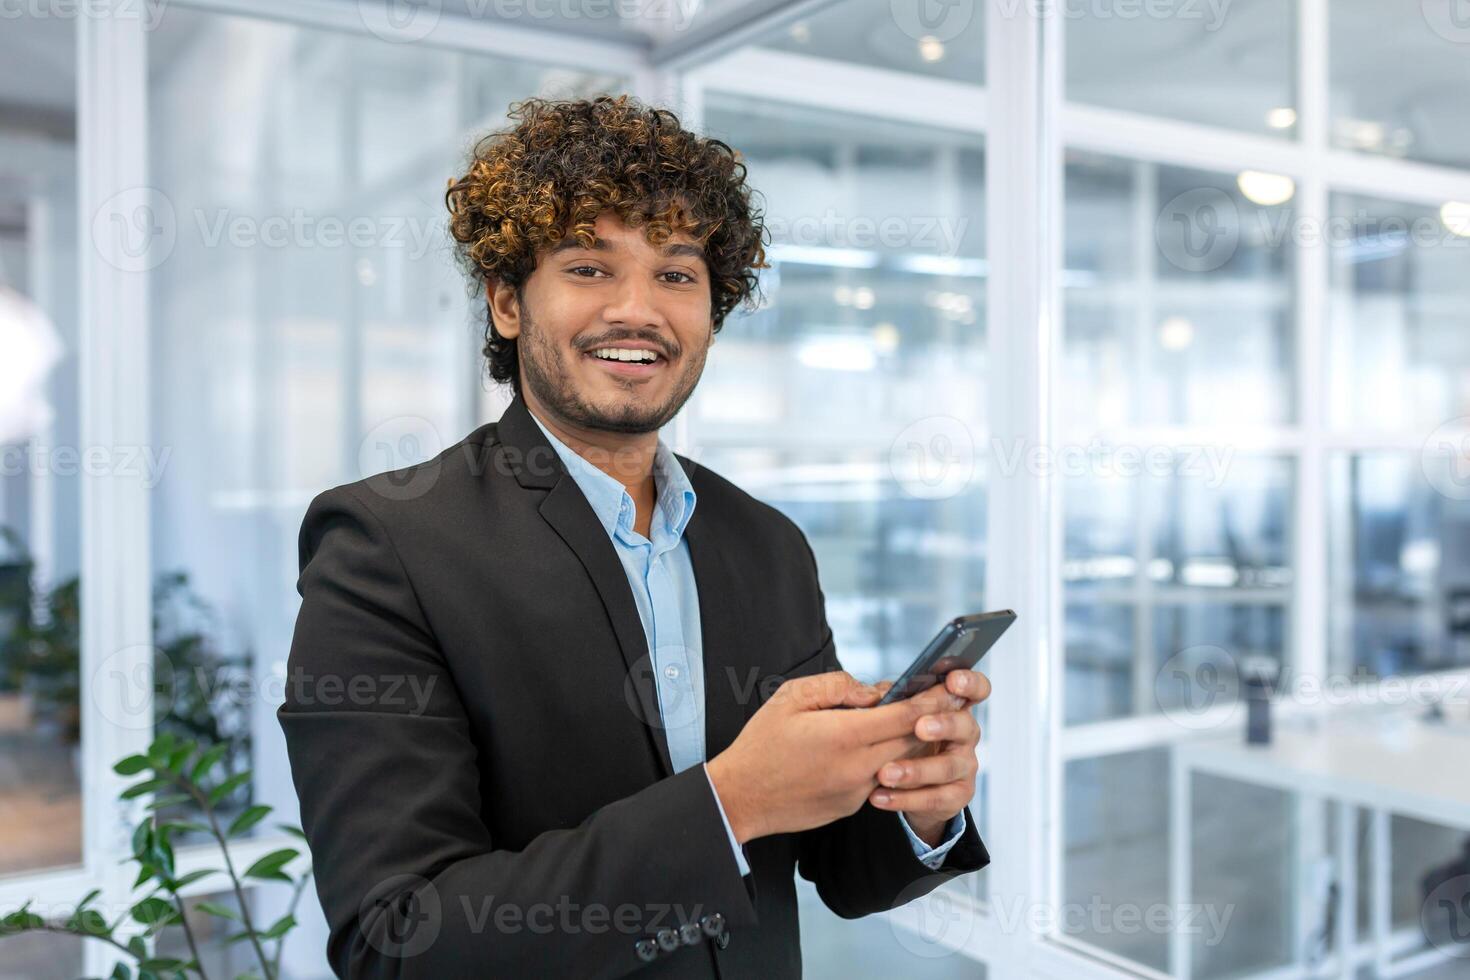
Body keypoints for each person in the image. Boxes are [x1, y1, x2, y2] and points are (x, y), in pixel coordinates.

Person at [278, 93, 991, 979]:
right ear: (506, 301)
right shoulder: (385, 544)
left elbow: (840, 866)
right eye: (588, 266)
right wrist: (728, 804)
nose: (639, 309)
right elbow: (398, 937)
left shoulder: (767, 543)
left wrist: (917, 804)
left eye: (678, 274)